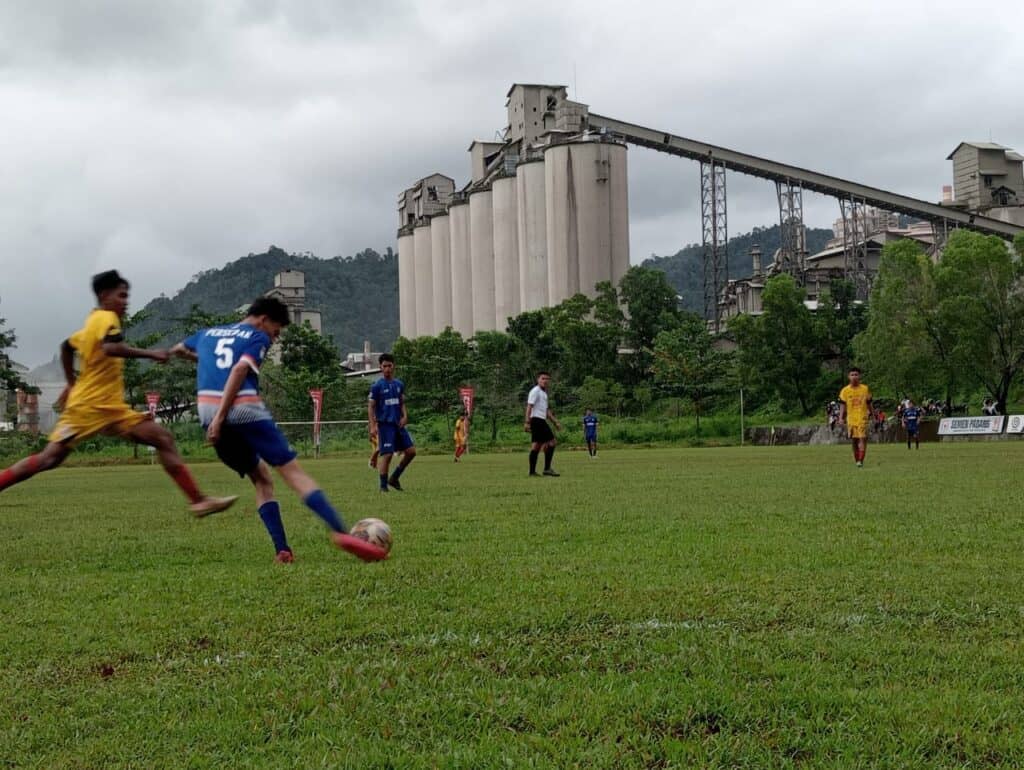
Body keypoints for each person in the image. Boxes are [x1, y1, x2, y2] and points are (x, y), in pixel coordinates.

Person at [0, 271, 237, 516]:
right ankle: (197, 500)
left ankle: (198, 501)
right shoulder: (106, 319)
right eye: (121, 295)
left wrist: (71, 383)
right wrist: (151, 353)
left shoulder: (92, 323)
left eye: (127, 296)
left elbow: (67, 346)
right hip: (89, 409)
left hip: (109, 409)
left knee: (162, 438)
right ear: (104, 295)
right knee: (48, 459)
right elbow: (111, 347)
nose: (125, 301)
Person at [170, 296, 386, 563]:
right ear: (263, 320)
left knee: (261, 479)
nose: (273, 339)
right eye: (276, 331)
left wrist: (213, 408)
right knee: (294, 475)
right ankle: (341, 533)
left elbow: (178, 349)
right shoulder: (256, 336)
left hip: (206, 412)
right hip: (243, 409)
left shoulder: (208, 333)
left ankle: (282, 551)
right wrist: (223, 415)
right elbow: (239, 369)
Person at [368, 353, 416, 492]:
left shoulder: (399, 384)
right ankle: (383, 487)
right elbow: (371, 406)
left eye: (390, 365)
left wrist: (405, 416)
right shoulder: (377, 386)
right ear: (380, 368)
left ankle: (394, 478)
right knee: (387, 454)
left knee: (411, 452)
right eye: (385, 366)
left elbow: (401, 402)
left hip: (398, 424)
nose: (387, 368)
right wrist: (372, 426)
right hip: (385, 424)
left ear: (393, 366)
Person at [525, 371, 562, 477]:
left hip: (540, 420)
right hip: (537, 420)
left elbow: (546, 410)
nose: (545, 381)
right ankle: (547, 469)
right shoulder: (535, 391)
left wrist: (555, 422)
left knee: (536, 446)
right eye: (543, 378)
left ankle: (532, 472)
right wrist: (527, 422)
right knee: (552, 442)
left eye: (547, 379)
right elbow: (529, 407)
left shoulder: (543, 393)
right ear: (538, 380)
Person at [838, 366, 873, 468]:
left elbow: (869, 403)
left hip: (863, 417)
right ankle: (857, 459)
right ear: (849, 376)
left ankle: (860, 461)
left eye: (856, 375)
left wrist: (873, 415)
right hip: (851, 419)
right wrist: (841, 418)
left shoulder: (865, 389)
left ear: (859, 376)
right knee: (854, 440)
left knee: (862, 438)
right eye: (852, 375)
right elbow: (842, 405)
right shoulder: (845, 390)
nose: (854, 377)